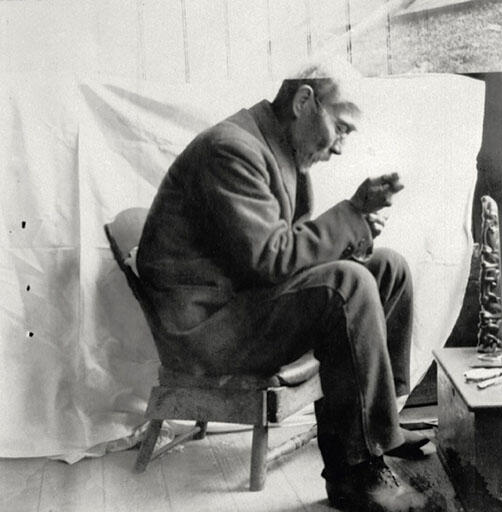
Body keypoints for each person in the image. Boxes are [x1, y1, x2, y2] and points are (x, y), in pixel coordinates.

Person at [136, 58, 429, 512]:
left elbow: (285, 256)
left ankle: (380, 423)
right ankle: (356, 474)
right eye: (342, 129)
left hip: (236, 306)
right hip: (203, 331)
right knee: (347, 285)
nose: (341, 148)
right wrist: (350, 214)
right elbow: (272, 260)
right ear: (304, 101)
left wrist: (355, 223)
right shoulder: (231, 149)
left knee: (386, 267)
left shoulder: (275, 148)